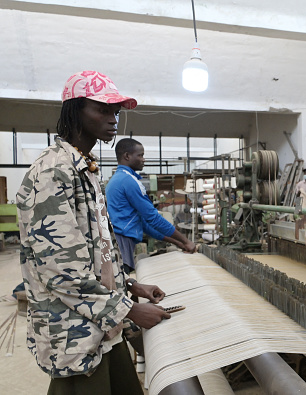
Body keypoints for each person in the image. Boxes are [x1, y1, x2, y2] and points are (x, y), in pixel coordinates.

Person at [16, 70, 171, 394]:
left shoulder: (82, 168)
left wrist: (130, 285)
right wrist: (128, 309)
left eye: (115, 111)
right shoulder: (52, 173)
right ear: (74, 111)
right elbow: (60, 270)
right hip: (73, 335)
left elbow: (92, 252)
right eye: (102, 110)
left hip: (100, 325)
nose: (113, 118)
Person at [106, 138, 196, 274]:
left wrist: (178, 243)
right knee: (123, 285)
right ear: (127, 156)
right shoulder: (128, 181)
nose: (144, 159)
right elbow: (152, 218)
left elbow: (144, 225)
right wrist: (186, 241)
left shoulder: (119, 179)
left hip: (121, 241)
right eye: (140, 155)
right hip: (122, 243)